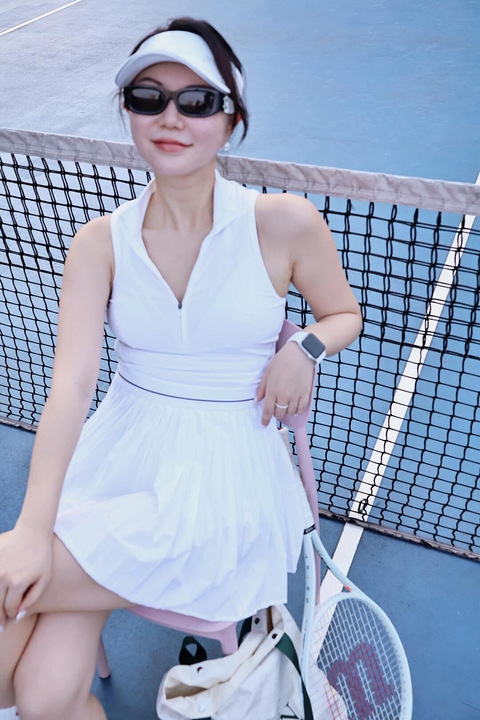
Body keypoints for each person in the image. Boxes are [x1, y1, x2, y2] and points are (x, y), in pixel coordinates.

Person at [0, 17, 362, 720]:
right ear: (128, 112)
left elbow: (343, 313)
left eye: (196, 102)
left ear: (231, 121)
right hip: (117, 466)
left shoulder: (284, 222)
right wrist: (33, 527)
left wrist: (305, 349)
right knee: (44, 700)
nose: (170, 118)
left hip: (223, 493)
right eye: (148, 98)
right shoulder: (98, 243)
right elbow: (70, 387)